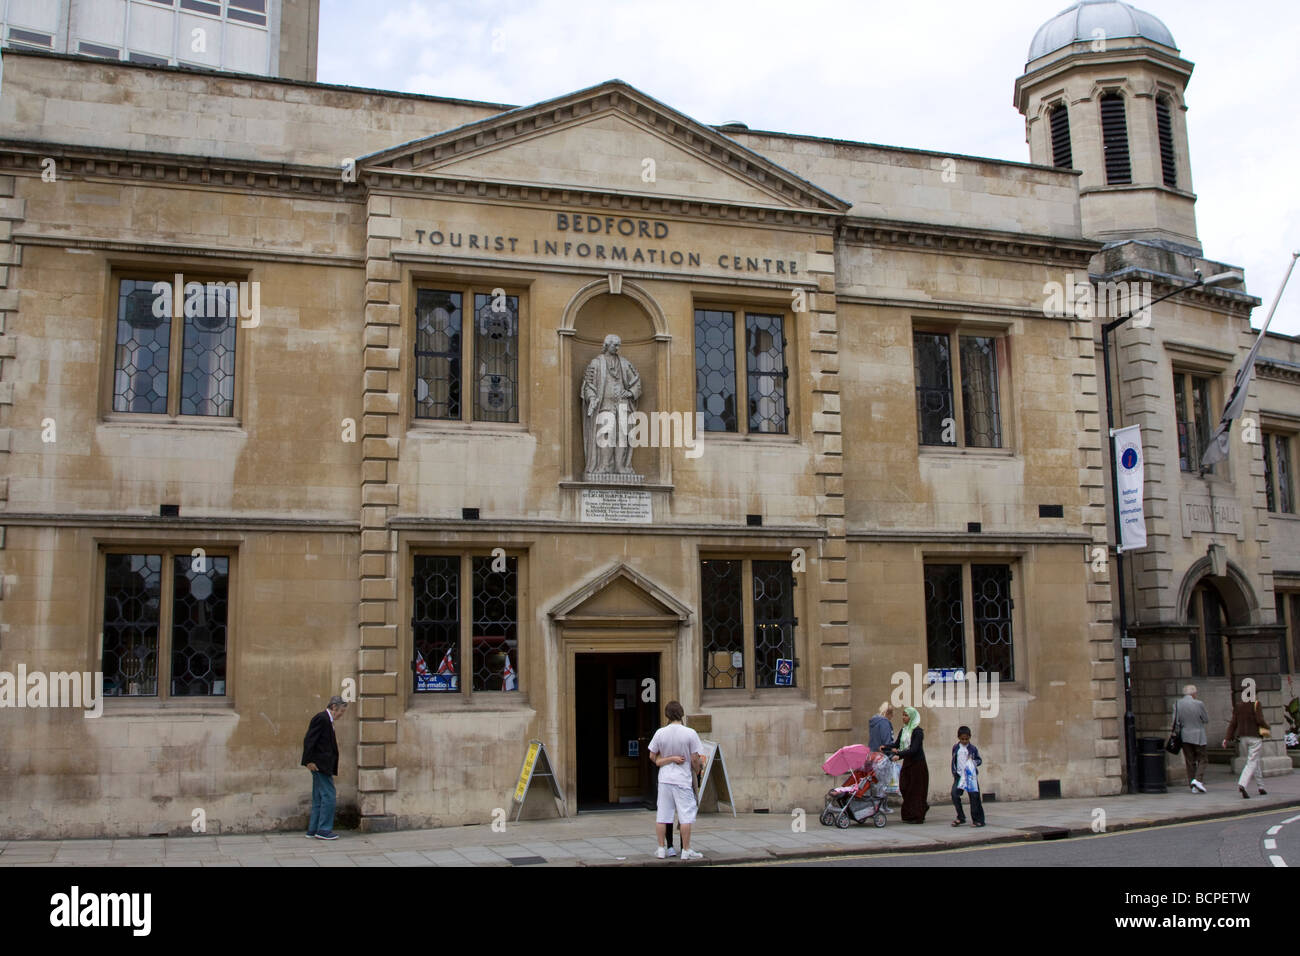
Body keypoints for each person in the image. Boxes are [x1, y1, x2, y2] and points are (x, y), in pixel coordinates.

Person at [647, 700, 707, 860]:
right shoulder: (690, 733)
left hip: (665, 779)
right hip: (682, 779)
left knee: (663, 816)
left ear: (667, 714)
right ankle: (686, 851)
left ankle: (661, 849)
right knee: (685, 816)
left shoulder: (660, 733)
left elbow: (652, 755)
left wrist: (666, 760)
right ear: (681, 713)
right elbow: (695, 758)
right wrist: (698, 769)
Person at [301, 695, 347, 839]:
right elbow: (309, 739)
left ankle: (313, 829)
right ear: (334, 707)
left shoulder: (327, 720)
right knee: (329, 796)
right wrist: (308, 760)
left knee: (319, 796)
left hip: (321, 764)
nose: (341, 715)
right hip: (320, 764)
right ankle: (324, 829)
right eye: (341, 711)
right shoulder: (322, 718)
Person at [1223, 692, 1270, 799]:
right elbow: (1260, 720)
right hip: (1255, 737)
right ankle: (1242, 784)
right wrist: (1267, 726)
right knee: (1252, 762)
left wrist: (1227, 738)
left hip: (1243, 738)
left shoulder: (1238, 706)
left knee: (1254, 760)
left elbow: (1233, 724)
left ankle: (1261, 787)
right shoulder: (1256, 704)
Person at [890, 705, 928, 823]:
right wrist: (885, 747)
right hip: (908, 762)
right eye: (903, 715)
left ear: (912, 717)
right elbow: (896, 744)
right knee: (904, 787)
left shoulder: (917, 731)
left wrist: (899, 755)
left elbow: (914, 749)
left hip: (917, 763)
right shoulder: (904, 730)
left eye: (906, 715)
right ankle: (912, 812)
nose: (903, 717)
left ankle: (917, 815)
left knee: (915, 789)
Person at [1173, 684, 1210, 793]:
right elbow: (1205, 719)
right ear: (1193, 694)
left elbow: (1175, 722)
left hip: (1185, 736)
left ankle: (1193, 786)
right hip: (1198, 735)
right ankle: (1198, 780)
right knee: (1203, 759)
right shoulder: (1199, 704)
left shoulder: (1177, 704)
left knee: (1190, 761)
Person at [950, 725, 985, 827]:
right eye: (962, 739)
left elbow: (979, 760)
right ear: (959, 738)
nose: (964, 741)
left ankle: (978, 819)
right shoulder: (956, 748)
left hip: (970, 776)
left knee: (974, 797)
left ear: (970, 737)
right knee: (954, 794)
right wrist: (954, 772)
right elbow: (954, 760)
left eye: (966, 739)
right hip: (959, 776)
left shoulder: (972, 748)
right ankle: (960, 817)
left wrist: (973, 762)